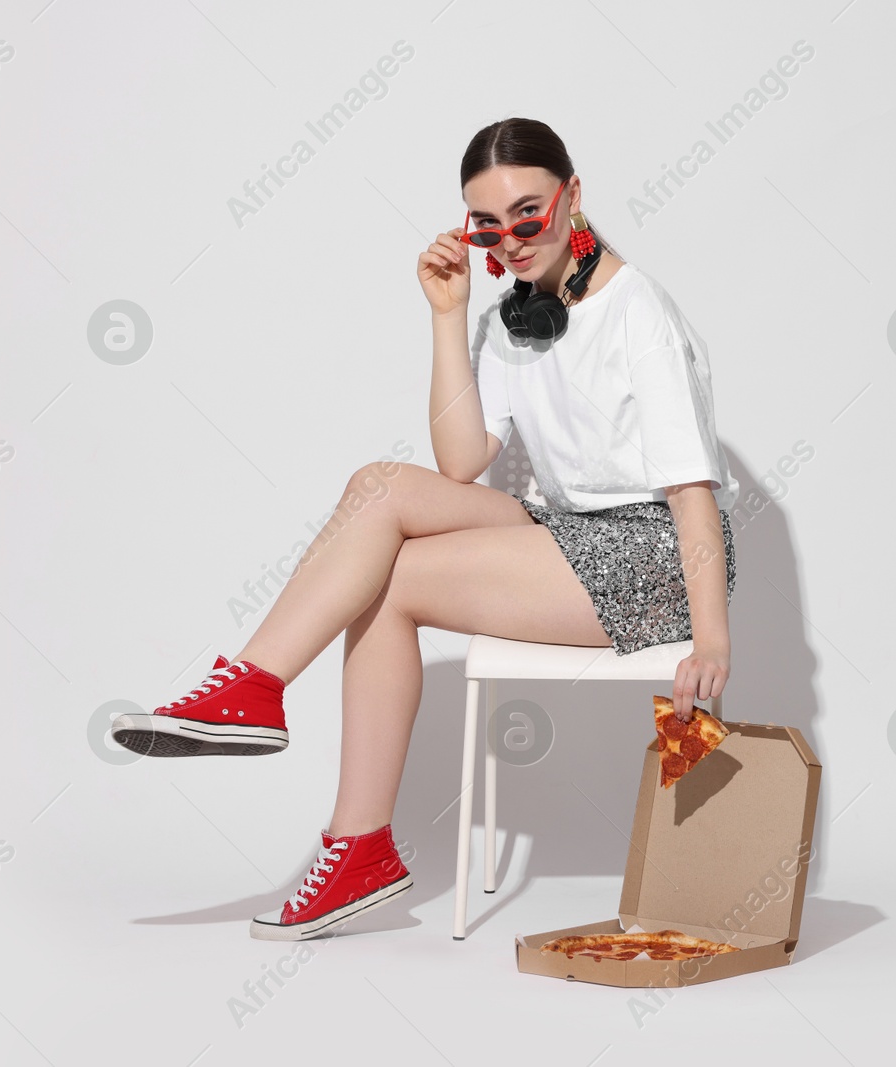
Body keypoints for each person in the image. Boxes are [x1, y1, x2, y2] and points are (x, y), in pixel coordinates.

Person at [108, 117, 740, 941]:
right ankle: (256, 691)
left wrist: (713, 634)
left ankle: (349, 833)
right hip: (567, 530)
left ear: (573, 196)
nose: (511, 241)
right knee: (379, 489)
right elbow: (458, 463)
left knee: (391, 578)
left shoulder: (637, 311)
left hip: (654, 556)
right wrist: (449, 314)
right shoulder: (517, 318)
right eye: (488, 225)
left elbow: (691, 491)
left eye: (529, 214)